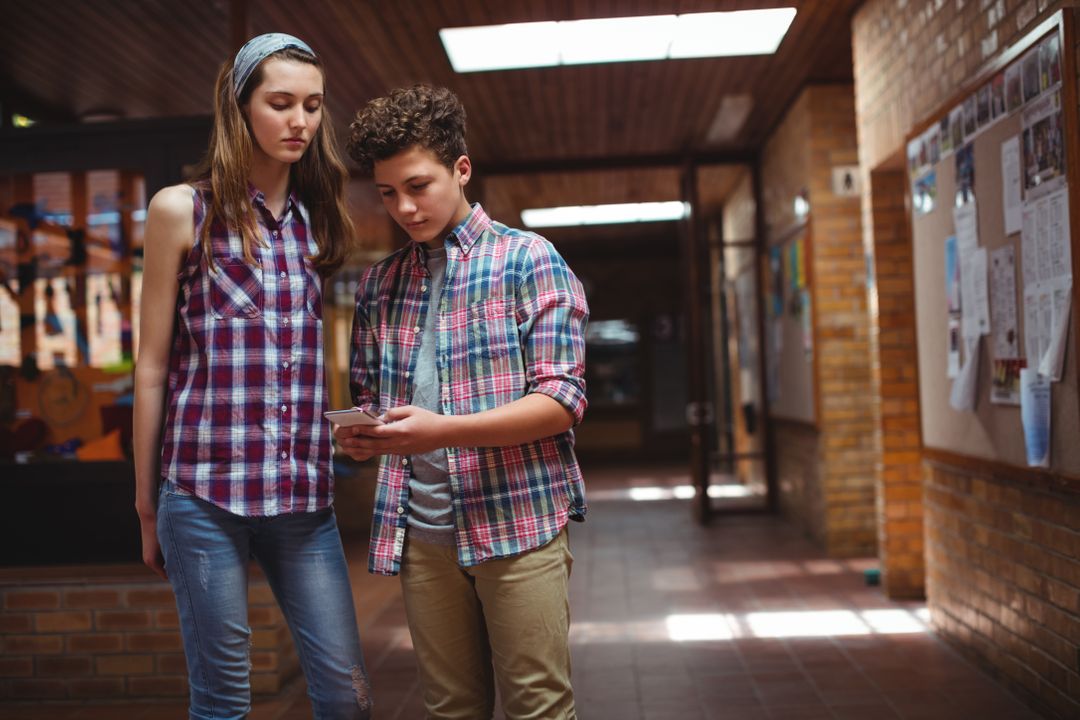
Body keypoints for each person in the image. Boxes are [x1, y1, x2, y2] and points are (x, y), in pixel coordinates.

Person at [133, 33, 371, 719]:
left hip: (302, 500)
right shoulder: (182, 209)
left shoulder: (316, 223)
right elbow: (151, 367)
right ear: (241, 108)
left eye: (313, 105)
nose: (299, 120)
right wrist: (148, 506)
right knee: (223, 701)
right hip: (203, 494)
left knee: (347, 699)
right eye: (281, 102)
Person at [340, 84, 588, 719]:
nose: (403, 207)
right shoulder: (380, 284)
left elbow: (560, 400)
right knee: (451, 709)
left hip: (518, 522)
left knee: (538, 706)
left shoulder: (529, 259)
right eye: (388, 193)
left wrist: (440, 431)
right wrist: (364, 435)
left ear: (461, 168)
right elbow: (372, 399)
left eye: (418, 186)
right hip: (422, 534)